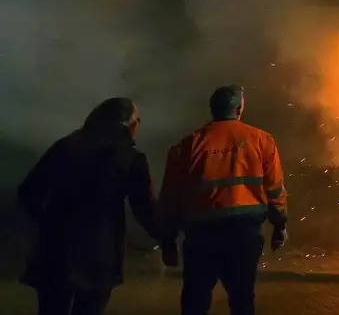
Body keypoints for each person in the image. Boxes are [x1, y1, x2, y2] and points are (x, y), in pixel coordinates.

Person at [17, 97, 158, 315]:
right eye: (137, 120)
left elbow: (29, 192)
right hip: (99, 255)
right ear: (128, 124)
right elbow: (144, 209)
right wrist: (165, 237)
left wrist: (47, 222)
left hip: (55, 249)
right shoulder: (131, 158)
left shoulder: (65, 146)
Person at [159, 84, 288, 315]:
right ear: (239, 108)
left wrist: (168, 240)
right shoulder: (261, 140)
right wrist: (279, 226)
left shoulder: (187, 145)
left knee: (195, 300)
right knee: (242, 299)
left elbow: (170, 197)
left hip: (201, 236)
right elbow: (274, 189)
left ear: (213, 109)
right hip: (243, 235)